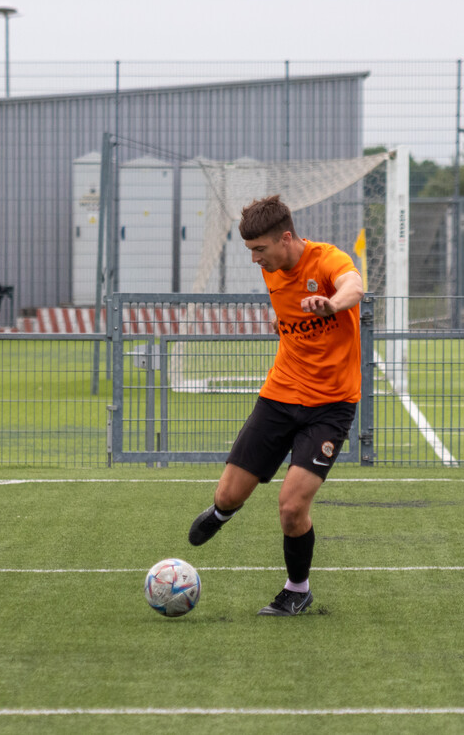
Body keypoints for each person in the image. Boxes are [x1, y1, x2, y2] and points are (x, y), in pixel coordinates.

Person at [188, 194, 364, 616]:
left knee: (291, 506)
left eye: (259, 250)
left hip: (330, 407)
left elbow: (353, 285)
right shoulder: (273, 267)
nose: (254, 260)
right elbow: (286, 311)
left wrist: (331, 303)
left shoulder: (326, 261)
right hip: (279, 397)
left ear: (286, 238)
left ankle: (297, 589)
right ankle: (222, 512)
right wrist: (281, 324)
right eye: (250, 251)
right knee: (229, 495)